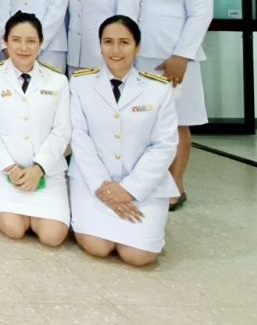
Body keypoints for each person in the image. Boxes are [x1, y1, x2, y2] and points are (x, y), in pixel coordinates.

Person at [69, 16, 180, 266]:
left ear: (137, 47)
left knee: (138, 256)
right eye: (108, 42)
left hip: (144, 185)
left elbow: (164, 144)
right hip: (93, 181)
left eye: (124, 42)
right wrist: (102, 186)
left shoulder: (158, 88)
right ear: (100, 46)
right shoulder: (81, 83)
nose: (115, 50)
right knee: (98, 246)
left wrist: (130, 189)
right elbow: (79, 137)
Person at [129, 0, 213, 209]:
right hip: (138, 60)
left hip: (174, 61)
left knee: (177, 123)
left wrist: (182, 55)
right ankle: (145, 182)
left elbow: (201, 15)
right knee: (142, 122)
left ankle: (176, 185)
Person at [0, 12, 71, 247]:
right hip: (5, 170)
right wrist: (10, 167)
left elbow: (62, 131)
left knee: (52, 237)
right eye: (16, 40)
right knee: (14, 229)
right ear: (6, 41)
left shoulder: (58, 80)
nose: (23, 47)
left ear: (41, 43)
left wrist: (39, 168)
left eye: (31, 41)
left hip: (46, 172)